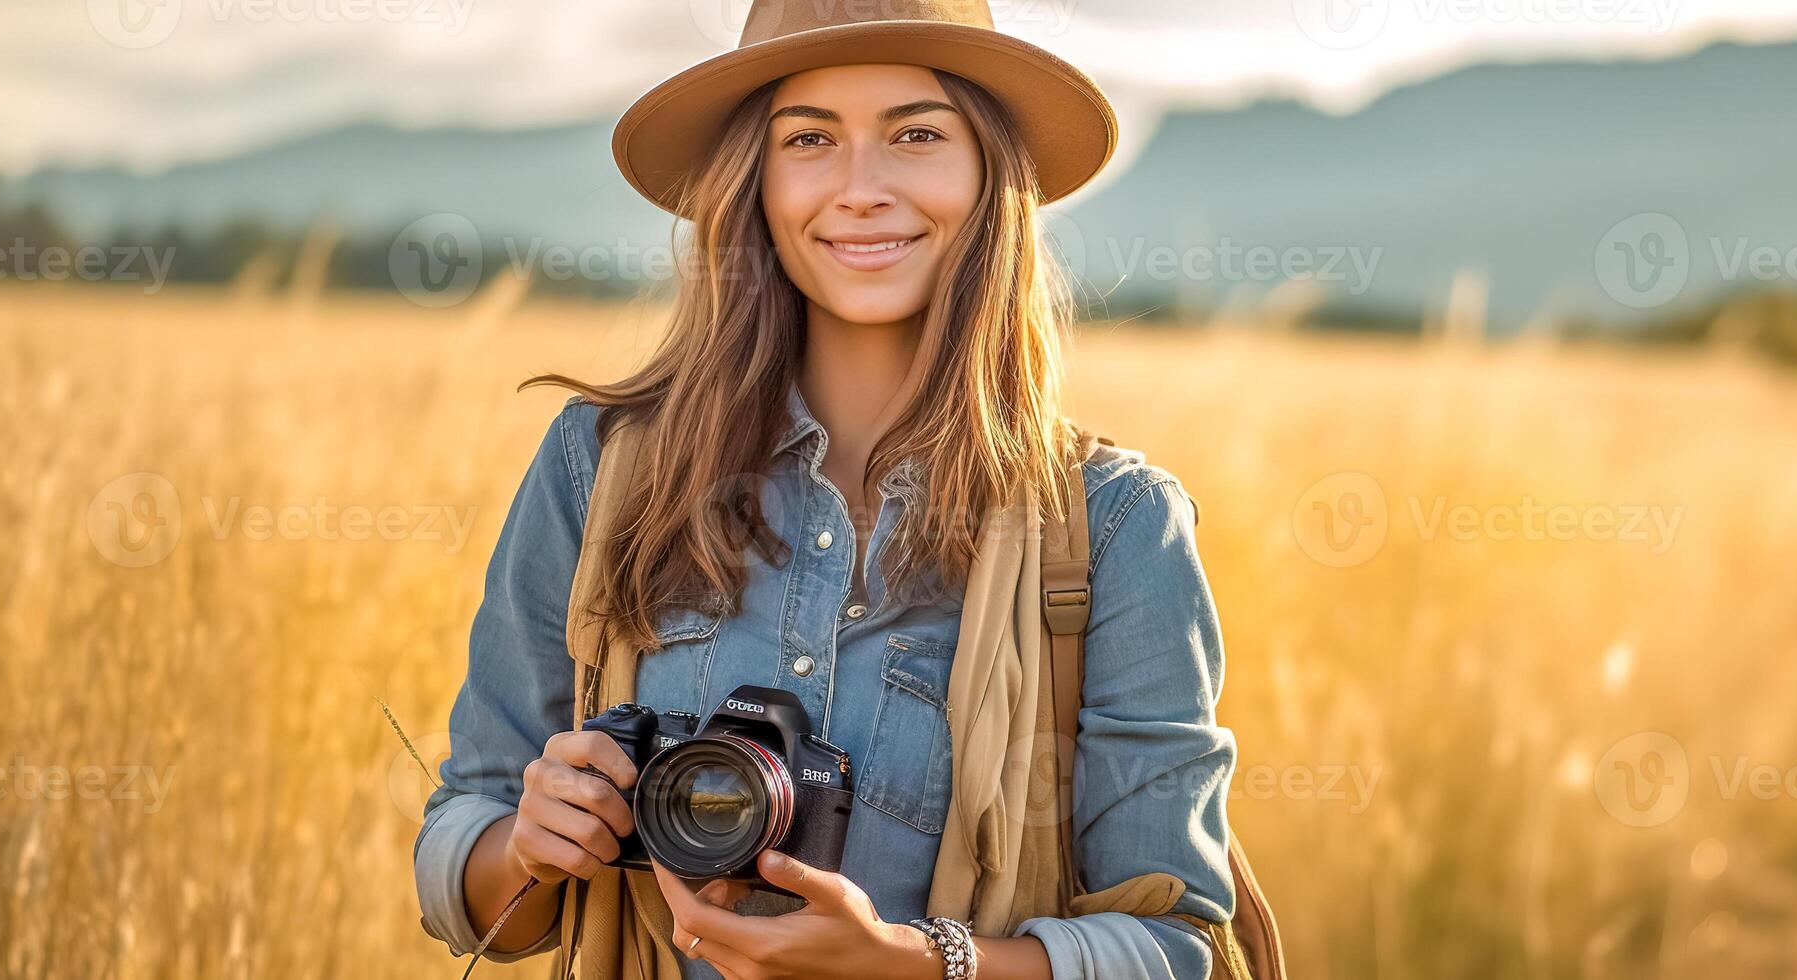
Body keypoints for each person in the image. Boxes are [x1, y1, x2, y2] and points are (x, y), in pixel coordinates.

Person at [413, 3, 1238, 977]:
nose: (860, 189)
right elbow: (476, 888)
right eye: (809, 138)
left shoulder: (1115, 526)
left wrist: (916, 961)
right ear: (753, 180)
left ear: (989, 173)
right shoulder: (604, 465)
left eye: (916, 134)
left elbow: (1178, 945)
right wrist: (533, 841)